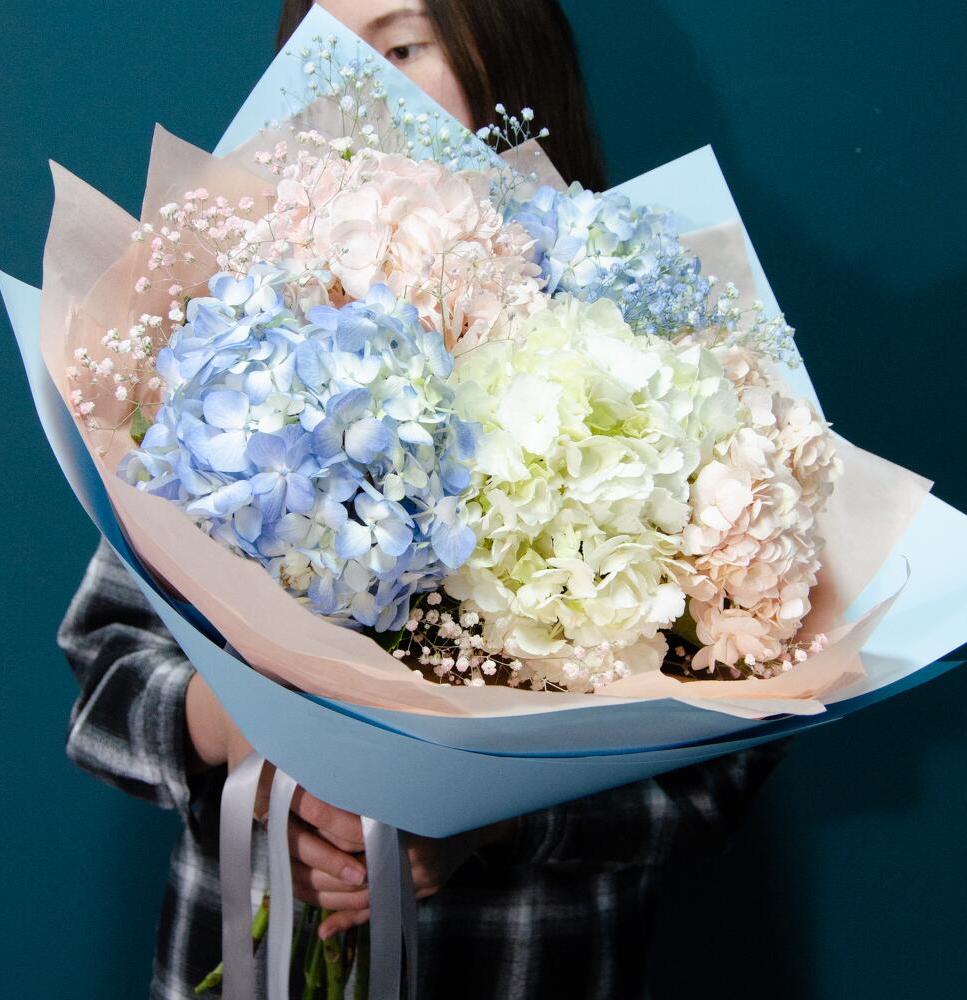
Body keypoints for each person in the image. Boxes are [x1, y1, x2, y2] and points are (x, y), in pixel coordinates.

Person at [58, 1, 786, 997]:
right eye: (318, 53)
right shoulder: (238, 331)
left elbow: (722, 769)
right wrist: (242, 741)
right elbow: (103, 681)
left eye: (400, 44)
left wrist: (494, 821)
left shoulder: (655, 352)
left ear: (506, 53)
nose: (352, 83)